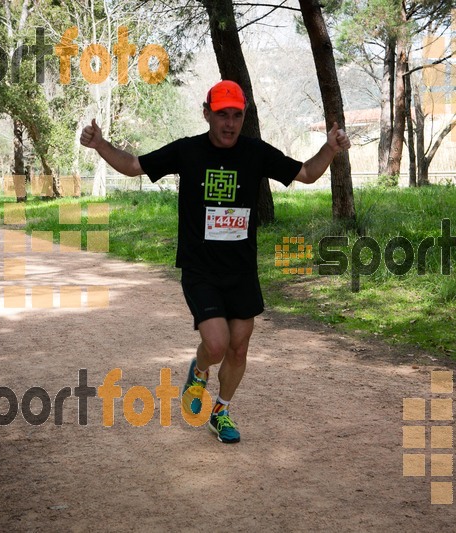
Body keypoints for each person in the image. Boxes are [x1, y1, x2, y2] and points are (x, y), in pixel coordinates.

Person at [80, 80, 351, 444]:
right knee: (218, 344)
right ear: (207, 113)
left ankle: (221, 411)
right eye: (222, 114)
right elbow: (132, 165)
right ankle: (200, 370)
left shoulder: (255, 153)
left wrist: (330, 148)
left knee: (240, 345)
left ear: (243, 118)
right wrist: (99, 144)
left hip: (241, 271)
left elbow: (305, 173)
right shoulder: (187, 151)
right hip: (200, 269)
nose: (229, 123)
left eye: (236, 115)